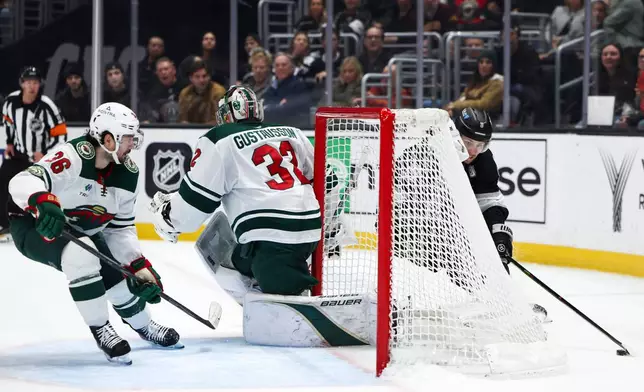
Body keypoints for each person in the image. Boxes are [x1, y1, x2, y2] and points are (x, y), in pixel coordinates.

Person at [150, 86, 374, 347]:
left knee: (212, 244)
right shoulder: (291, 133)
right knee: (228, 231)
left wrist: (168, 218)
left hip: (270, 240)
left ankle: (267, 302)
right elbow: (329, 181)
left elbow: (194, 205)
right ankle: (277, 284)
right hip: (309, 233)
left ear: (225, 114)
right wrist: (334, 224)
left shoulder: (219, 138)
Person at [7, 102, 182, 365]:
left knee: (119, 276)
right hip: (34, 225)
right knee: (81, 253)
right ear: (108, 138)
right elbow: (20, 181)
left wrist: (137, 265)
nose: (132, 145)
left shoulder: (127, 174)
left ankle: (144, 325)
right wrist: (41, 200)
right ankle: (101, 328)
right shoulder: (74, 156)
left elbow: (119, 229)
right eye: (127, 138)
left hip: (80, 227)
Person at [0, 66, 67, 241]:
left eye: (35, 82)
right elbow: (7, 122)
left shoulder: (46, 105)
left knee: (36, 193)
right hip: (17, 156)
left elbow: (61, 132)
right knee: (2, 184)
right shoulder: (11, 102)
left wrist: (46, 154)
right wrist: (9, 142)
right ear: (22, 83)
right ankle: (3, 224)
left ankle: (37, 226)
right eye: (29, 82)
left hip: (39, 161)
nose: (32, 86)